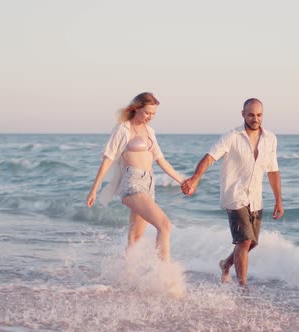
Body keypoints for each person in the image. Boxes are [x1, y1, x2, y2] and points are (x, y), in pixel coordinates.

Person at [182, 98, 284, 287]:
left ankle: (225, 264)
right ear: (243, 114)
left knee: (250, 243)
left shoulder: (270, 139)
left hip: (255, 198)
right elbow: (210, 157)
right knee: (244, 241)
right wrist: (195, 178)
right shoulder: (232, 136)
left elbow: (273, 170)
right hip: (235, 195)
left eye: (259, 115)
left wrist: (279, 200)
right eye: (251, 114)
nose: (255, 119)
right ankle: (243, 287)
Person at [87, 92, 184, 262]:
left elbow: (161, 160)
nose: (150, 117)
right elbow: (107, 159)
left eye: (154, 114)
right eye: (147, 112)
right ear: (136, 108)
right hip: (132, 182)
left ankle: (127, 276)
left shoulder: (150, 131)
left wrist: (183, 181)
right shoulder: (122, 129)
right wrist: (94, 190)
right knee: (164, 225)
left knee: (135, 236)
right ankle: (166, 276)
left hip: (149, 184)